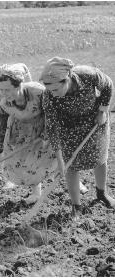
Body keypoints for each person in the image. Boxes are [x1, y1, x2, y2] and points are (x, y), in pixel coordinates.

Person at [40, 56, 115, 216]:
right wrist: (60, 160)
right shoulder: (48, 97)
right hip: (68, 128)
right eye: (49, 90)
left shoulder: (88, 75)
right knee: (70, 166)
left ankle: (102, 194)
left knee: (100, 158)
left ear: (66, 80)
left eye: (55, 89)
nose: (52, 94)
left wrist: (102, 110)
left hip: (95, 121)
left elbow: (108, 84)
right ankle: (76, 206)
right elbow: (52, 127)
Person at [0, 69, 61, 204]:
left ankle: (74, 181)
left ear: (19, 85)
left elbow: (53, 113)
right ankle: (36, 193)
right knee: (24, 160)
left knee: (56, 155)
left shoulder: (39, 93)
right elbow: (0, 129)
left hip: (43, 126)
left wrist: (46, 133)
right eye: (1, 90)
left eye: (7, 90)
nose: (4, 94)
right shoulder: (4, 104)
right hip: (21, 130)